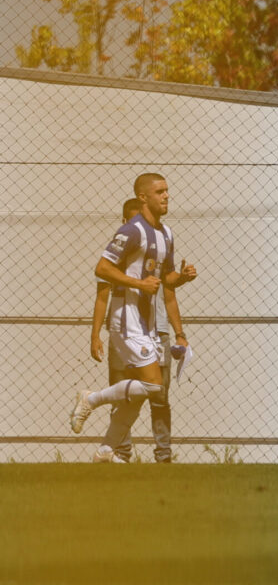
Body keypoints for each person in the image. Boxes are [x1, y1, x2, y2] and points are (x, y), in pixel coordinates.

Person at [72, 173, 197, 462]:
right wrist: (139, 284)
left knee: (143, 393)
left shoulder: (166, 234)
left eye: (167, 190)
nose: (166, 196)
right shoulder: (131, 231)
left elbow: (166, 280)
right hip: (126, 319)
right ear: (143, 197)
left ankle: (105, 451)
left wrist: (183, 278)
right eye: (159, 191)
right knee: (155, 385)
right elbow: (102, 268)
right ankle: (90, 399)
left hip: (150, 322)